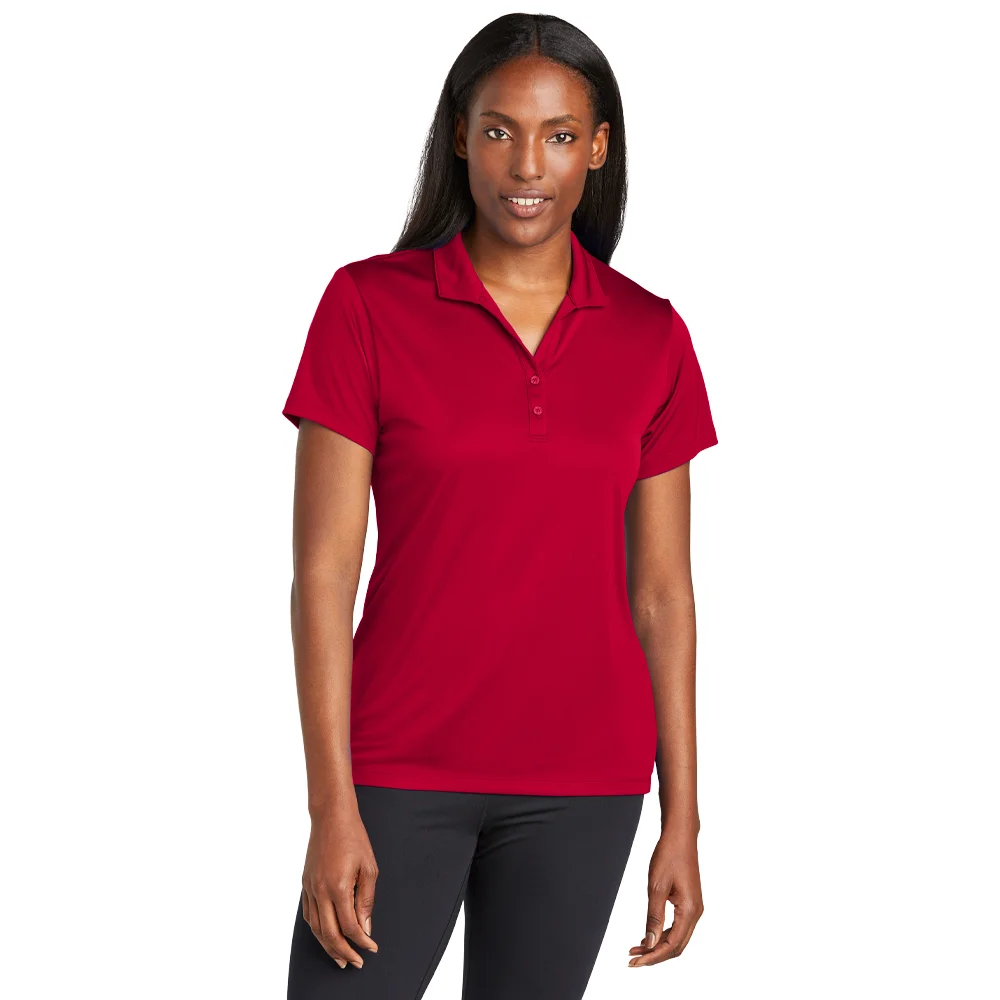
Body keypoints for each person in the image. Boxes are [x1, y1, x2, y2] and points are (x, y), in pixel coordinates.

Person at [280, 13, 718, 999]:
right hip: (396, 766)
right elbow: (322, 576)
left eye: (559, 135)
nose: (527, 165)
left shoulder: (651, 334)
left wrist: (682, 817)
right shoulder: (367, 307)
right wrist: (330, 805)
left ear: (596, 148)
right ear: (458, 137)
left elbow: (663, 594)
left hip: (587, 779)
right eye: (498, 130)